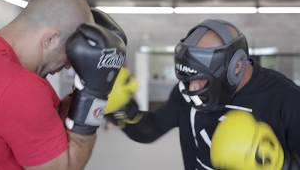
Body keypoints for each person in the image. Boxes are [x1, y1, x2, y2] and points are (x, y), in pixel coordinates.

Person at [106, 19, 300, 169]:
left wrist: (281, 166)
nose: (192, 89)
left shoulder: (286, 99)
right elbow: (149, 130)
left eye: (201, 79)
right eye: (188, 80)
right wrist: (121, 109)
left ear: (236, 67)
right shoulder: (187, 92)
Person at [0, 0, 126, 169]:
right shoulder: (20, 88)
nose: (69, 65)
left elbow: (47, 124)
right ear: (50, 39)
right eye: (69, 52)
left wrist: (83, 90)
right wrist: (95, 95)